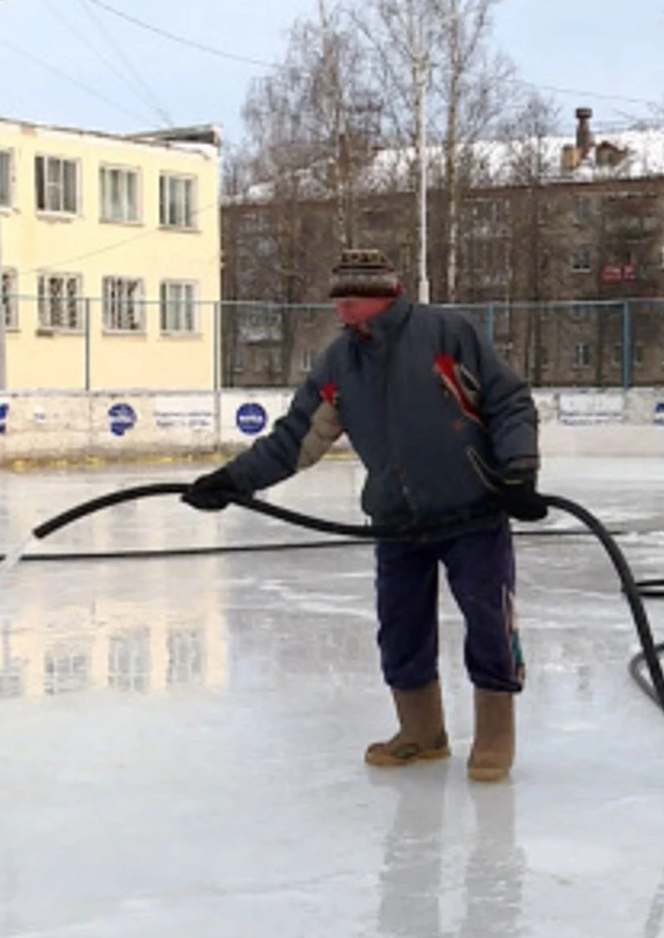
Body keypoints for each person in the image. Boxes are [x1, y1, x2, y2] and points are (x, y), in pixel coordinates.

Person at [183, 249, 545, 782]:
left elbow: (508, 401)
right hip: (397, 522)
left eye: (349, 302)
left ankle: (494, 735)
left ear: (380, 296)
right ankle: (421, 732)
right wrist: (233, 481)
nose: (341, 313)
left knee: (489, 622)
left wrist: (518, 470)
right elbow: (295, 440)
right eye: (338, 303)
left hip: (472, 512)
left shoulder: (447, 334)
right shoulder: (339, 363)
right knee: (400, 629)